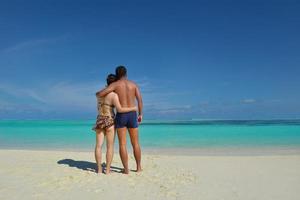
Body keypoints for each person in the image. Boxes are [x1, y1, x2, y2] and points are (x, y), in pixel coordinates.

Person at [97, 66, 143, 174]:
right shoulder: (134, 85)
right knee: (135, 143)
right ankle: (138, 167)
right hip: (132, 114)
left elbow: (101, 94)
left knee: (122, 144)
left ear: (117, 75)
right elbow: (140, 100)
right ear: (126, 74)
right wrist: (140, 114)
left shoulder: (115, 85)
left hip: (121, 115)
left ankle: (126, 170)